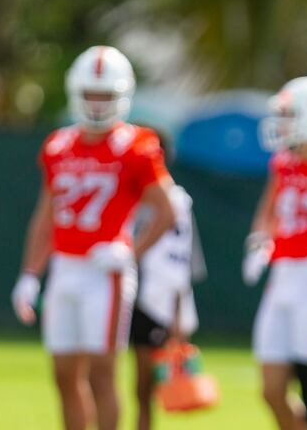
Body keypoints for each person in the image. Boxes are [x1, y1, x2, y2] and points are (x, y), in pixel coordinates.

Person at [11, 45, 176, 430]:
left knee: (101, 373)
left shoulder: (136, 145)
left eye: (106, 95)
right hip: (65, 267)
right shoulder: (58, 144)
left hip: (107, 272)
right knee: (64, 374)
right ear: (76, 93)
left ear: (123, 96)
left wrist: (129, 253)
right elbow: (45, 216)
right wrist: (30, 273)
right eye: (92, 94)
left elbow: (167, 211)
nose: (98, 104)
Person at [243, 76, 307, 430]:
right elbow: (268, 209)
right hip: (284, 273)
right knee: (271, 390)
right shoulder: (283, 162)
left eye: (290, 115)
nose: (282, 124)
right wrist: (259, 241)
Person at [129, 133, 206, 428]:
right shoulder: (132, 191)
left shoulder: (173, 200)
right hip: (127, 290)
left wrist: (177, 310)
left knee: (146, 383)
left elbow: (179, 263)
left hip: (151, 298)